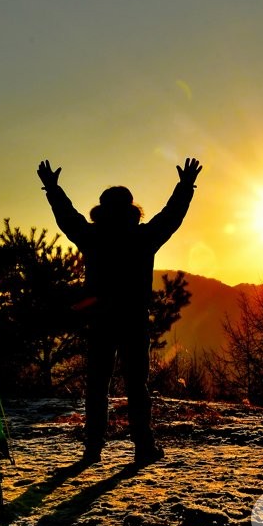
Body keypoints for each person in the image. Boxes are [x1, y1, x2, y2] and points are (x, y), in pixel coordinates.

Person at [37, 157, 203, 466]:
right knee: (136, 387)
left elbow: (67, 218)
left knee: (97, 386)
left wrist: (52, 188)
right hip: (133, 320)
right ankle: (143, 447)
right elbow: (171, 217)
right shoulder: (142, 238)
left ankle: (93, 449)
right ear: (131, 209)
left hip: (100, 320)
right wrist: (185, 186)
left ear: (101, 210)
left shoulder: (93, 237)